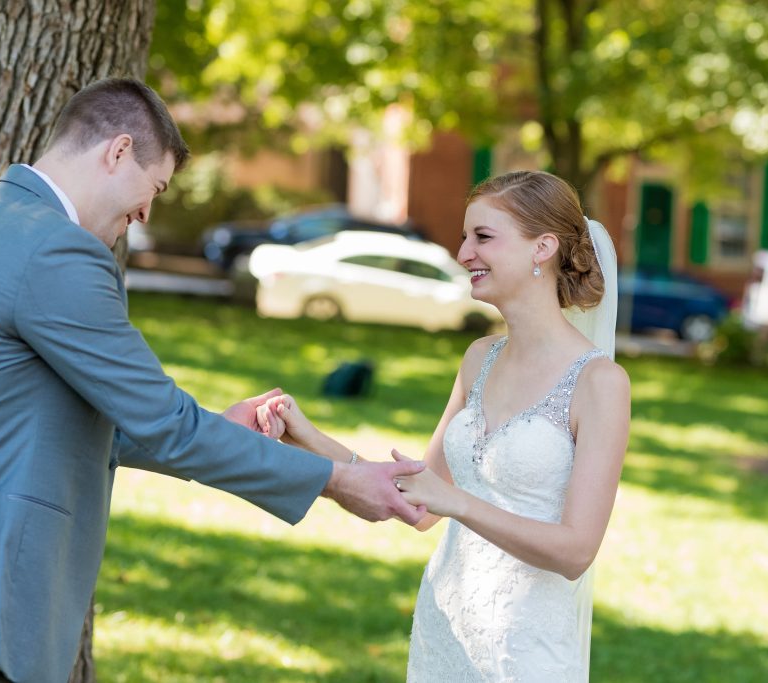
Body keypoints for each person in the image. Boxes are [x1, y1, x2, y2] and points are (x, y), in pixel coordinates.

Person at [0, 77, 424, 683]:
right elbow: (166, 422)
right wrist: (337, 479)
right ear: (117, 151)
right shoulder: (55, 251)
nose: (148, 211)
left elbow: (53, 419)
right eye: (154, 187)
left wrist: (221, 428)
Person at [260, 170, 630, 681]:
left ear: (542, 248)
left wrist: (457, 502)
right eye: (464, 237)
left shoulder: (600, 383)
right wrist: (306, 439)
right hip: (444, 627)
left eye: (482, 237)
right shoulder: (479, 357)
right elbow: (420, 501)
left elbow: (575, 551)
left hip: (525, 650)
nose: (463, 254)